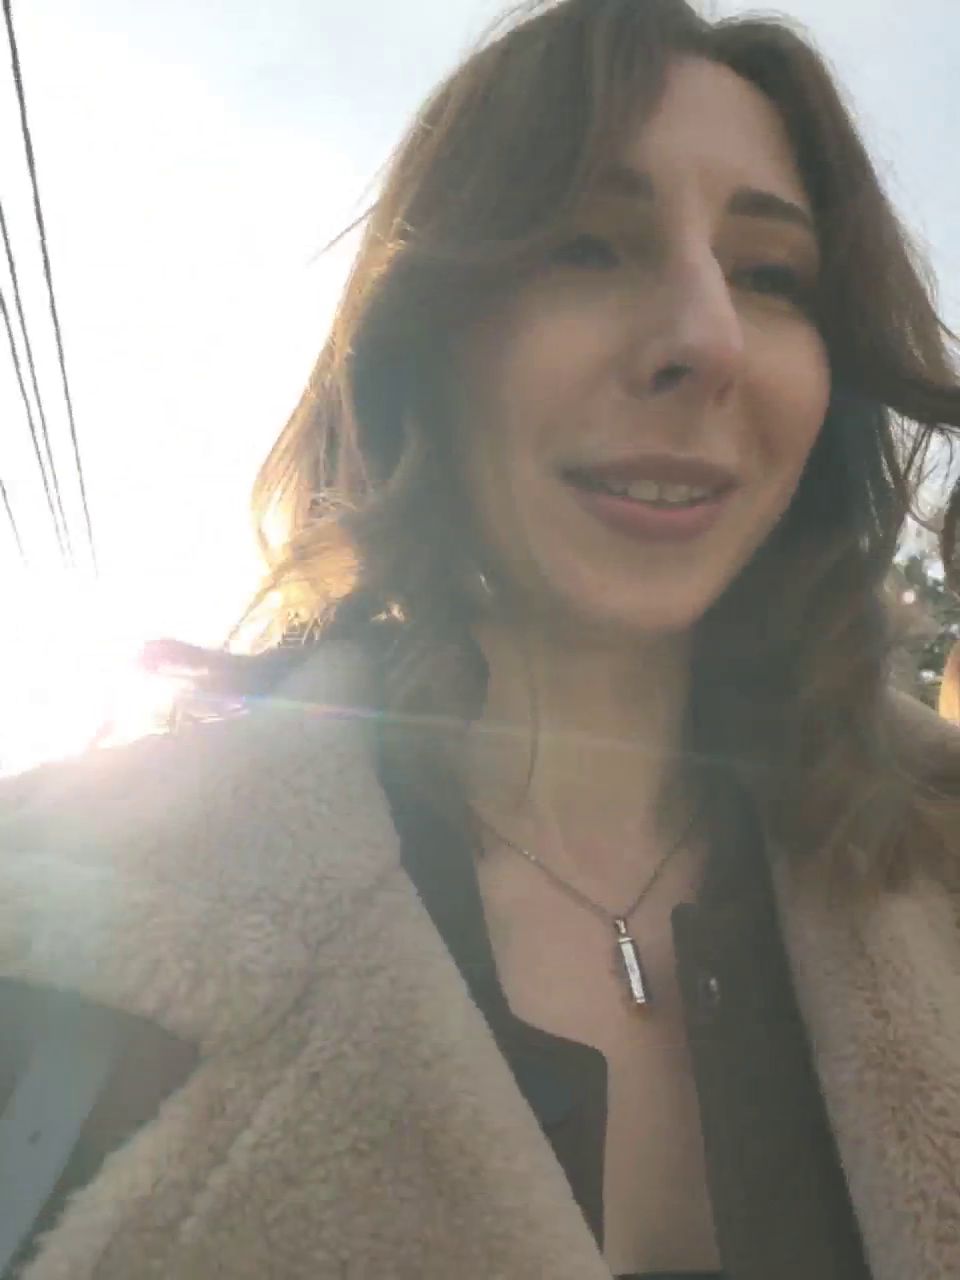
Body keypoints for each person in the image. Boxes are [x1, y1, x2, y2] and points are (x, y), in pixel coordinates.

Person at [2, 0, 959, 1276]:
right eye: (587, 247)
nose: (707, 337)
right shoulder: (59, 921)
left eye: (772, 276)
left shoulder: (937, 854)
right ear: (423, 342)